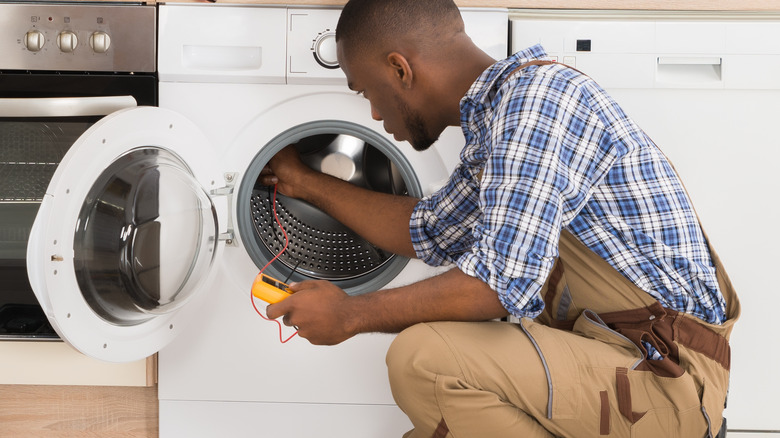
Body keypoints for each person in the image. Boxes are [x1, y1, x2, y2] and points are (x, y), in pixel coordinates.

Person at [262, 0, 740, 436]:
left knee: (422, 361)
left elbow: (497, 285)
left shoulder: (538, 102)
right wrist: (301, 181)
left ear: (400, 68)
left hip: (664, 375)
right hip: (616, 358)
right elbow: (428, 232)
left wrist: (350, 314)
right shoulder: (498, 121)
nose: (372, 111)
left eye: (367, 90)